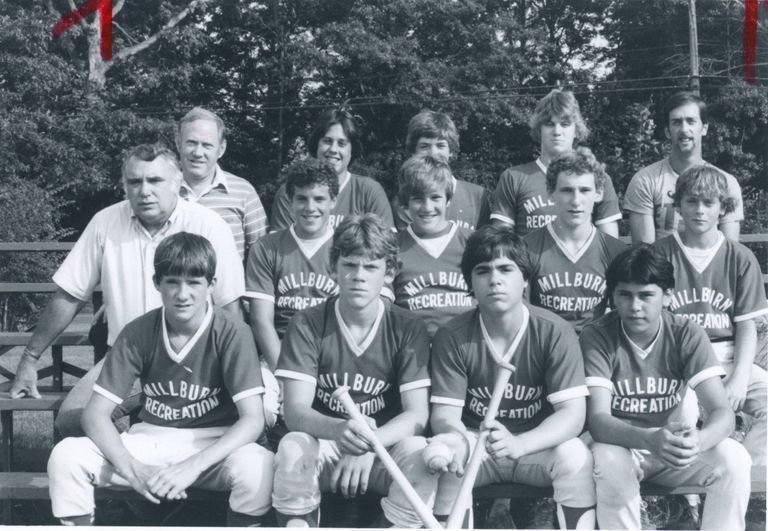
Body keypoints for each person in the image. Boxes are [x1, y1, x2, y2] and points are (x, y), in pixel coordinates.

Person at [9, 144, 245, 436]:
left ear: (177, 183)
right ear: (124, 186)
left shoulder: (208, 224)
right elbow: (70, 295)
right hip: (125, 357)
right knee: (72, 420)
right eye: (135, 181)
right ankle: (130, 461)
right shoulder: (105, 222)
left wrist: (229, 372)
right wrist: (29, 359)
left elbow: (229, 307)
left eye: (155, 180)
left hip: (195, 360)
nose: (144, 190)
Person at [47, 233, 274, 526]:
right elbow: (95, 415)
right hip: (151, 441)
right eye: (172, 282)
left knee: (259, 466)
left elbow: (253, 419)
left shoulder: (232, 331)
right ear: (157, 283)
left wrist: (193, 466)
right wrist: (133, 469)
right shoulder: (138, 331)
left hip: (213, 445)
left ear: (211, 285)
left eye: (194, 282)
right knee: (67, 456)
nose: (183, 294)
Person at [271, 214, 437, 528]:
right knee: (293, 446)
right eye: (349, 264)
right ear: (333, 267)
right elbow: (295, 411)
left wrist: (370, 444)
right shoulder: (308, 322)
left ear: (389, 272)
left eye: (371, 266)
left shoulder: (407, 325)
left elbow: (417, 415)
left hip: (384, 442)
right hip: (327, 440)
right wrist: (340, 431)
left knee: (419, 454)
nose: (358, 276)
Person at [427, 224, 596, 529]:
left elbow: (573, 415)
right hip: (478, 445)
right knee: (449, 459)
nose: (495, 280)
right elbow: (445, 416)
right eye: (482, 271)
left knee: (575, 456)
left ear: (525, 278)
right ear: (469, 282)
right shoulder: (452, 335)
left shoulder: (554, 331)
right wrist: (458, 442)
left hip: (535, 446)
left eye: (506, 269)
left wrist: (522, 443)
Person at [580, 245, 752, 530]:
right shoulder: (597, 335)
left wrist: (699, 441)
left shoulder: (685, 332)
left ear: (668, 296)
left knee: (734, 460)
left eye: (646, 295)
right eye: (625, 294)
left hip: (671, 446)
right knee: (611, 463)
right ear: (613, 296)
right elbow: (598, 421)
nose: (635, 306)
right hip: (622, 445)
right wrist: (649, 439)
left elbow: (722, 412)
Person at [653, 165, 767, 465]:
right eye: (691, 201)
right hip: (677, 361)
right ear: (678, 205)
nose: (700, 210)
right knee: (684, 413)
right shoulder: (660, 254)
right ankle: (687, 498)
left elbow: (746, 326)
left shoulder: (739, 256)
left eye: (709, 202)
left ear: (723, 208)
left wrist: (740, 379)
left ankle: (745, 473)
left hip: (728, 357)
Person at [245, 158, 340, 372]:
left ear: (333, 200)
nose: (310, 207)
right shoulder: (267, 247)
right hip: (278, 356)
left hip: (333, 357)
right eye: (302, 199)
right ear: (289, 200)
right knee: (264, 404)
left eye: (319, 199)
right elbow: (261, 321)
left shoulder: (346, 247)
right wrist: (284, 374)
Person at [491, 89, 621, 238]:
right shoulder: (513, 178)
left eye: (565, 124)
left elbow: (609, 247)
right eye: (549, 124)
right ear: (539, 129)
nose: (557, 131)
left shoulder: (596, 178)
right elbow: (500, 245)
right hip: (527, 261)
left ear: (577, 130)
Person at [524, 148, 626, 333]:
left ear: (599, 193)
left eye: (585, 190)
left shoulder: (615, 251)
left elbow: (622, 318)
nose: (576, 200)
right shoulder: (526, 248)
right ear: (550, 192)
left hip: (595, 349)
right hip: (543, 349)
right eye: (567, 190)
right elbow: (520, 317)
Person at [624, 91, 744, 244]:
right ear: (667, 131)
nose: (684, 129)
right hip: (662, 266)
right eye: (676, 122)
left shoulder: (726, 182)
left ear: (704, 128)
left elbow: (729, 251)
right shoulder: (645, 180)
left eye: (691, 121)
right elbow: (644, 254)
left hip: (711, 267)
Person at [270, 108, 394, 231]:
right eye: (327, 141)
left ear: (352, 150)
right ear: (316, 145)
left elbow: (386, 245)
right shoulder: (289, 192)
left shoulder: (369, 191)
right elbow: (282, 247)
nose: (333, 149)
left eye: (341, 144)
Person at [393, 155, 474, 337]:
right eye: (418, 199)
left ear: (448, 199)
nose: (427, 207)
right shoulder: (393, 247)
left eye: (435, 197)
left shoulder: (474, 243)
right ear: (406, 202)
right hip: (414, 348)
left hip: (465, 347)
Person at [177, 107, 268, 260]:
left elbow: (261, 256)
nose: (198, 153)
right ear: (178, 143)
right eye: (191, 143)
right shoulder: (162, 190)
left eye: (207, 145)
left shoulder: (243, 192)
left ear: (221, 148)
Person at [391, 110, 491, 231]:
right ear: (413, 151)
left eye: (440, 145)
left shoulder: (476, 196)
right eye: (424, 146)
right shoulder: (405, 201)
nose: (433, 153)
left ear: (451, 151)